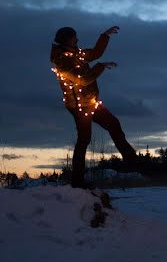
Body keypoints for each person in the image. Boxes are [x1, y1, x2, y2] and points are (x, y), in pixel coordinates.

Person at [50, 25, 137, 188]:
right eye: (74, 37)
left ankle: (133, 163)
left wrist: (105, 35)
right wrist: (101, 66)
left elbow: (95, 53)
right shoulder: (62, 60)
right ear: (66, 40)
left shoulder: (76, 53)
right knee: (84, 139)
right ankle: (77, 181)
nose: (77, 39)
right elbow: (82, 79)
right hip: (79, 107)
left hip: (91, 102)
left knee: (113, 124)